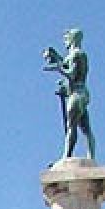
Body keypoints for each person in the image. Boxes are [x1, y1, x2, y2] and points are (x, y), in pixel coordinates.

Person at [41, 28, 95, 161]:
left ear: (72, 39)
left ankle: (66, 156)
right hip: (80, 93)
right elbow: (67, 66)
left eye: (66, 39)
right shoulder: (75, 55)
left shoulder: (77, 54)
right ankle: (90, 157)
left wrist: (58, 68)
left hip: (77, 94)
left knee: (71, 127)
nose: (65, 42)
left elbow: (71, 74)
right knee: (86, 128)